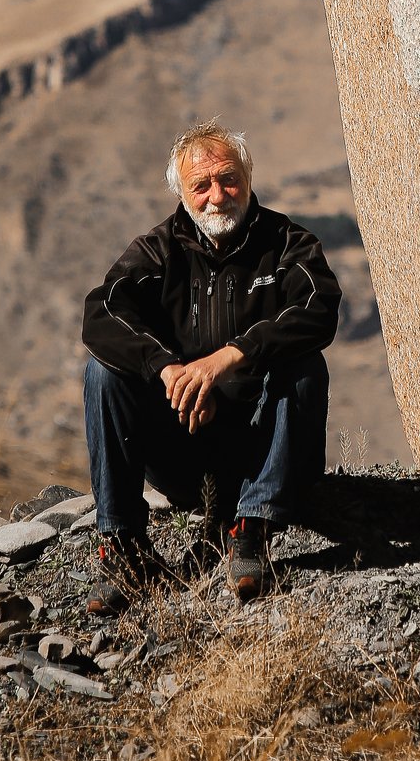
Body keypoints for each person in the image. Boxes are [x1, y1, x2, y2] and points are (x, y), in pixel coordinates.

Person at [81, 120, 341, 609]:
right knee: (102, 371)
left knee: (304, 365)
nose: (217, 196)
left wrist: (227, 359)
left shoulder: (287, 243)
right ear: (182, 194)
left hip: (267, 451)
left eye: (229, 180)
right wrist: (169, 370)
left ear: (248, 179)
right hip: (185, 452)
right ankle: (123, 549)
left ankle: (252, 530)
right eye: (201, 185)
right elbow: (102, 313)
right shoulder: (158, 251)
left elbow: (319, 308)